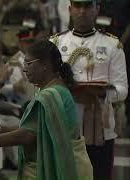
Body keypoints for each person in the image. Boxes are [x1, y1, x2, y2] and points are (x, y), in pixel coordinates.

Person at [0, 40, 93, 180]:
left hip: (61, 168)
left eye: (29, 63)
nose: (24, 68)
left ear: (45, 65)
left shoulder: (51, 95)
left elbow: (25, 136)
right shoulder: (53, 90)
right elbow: (32, 128)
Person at [50, 0, 128, 179]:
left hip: (101, 128)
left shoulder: (111, 45)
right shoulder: (55, 43)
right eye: (77, 6)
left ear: (97, 9)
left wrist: (101, 93)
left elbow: (122, 89)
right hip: (65, 125)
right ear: (70, 9)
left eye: (87, 6)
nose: (82, 11)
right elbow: (44, 85)